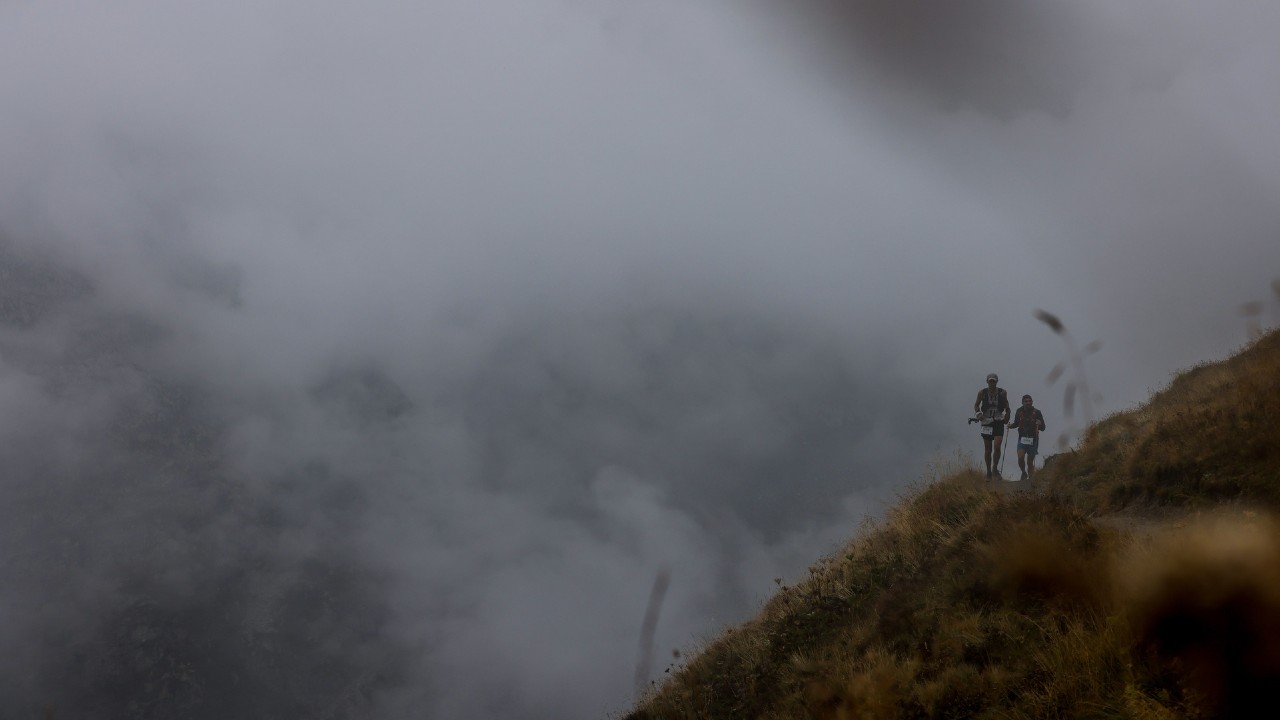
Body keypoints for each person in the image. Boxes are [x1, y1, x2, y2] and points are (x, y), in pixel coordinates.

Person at [973, 373, 1010, 479]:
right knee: (988, 449)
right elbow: (976, 404)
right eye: (990, 381)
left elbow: (1007, 405)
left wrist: (1008, 414)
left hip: (999, 420)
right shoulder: (982, 393)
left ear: (997, 381)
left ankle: (995, 468)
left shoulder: (1003, 392)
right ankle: (988, 471)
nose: (992, 383)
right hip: (986, 421)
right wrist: (978, 413)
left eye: (994, 381)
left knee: (997, 446)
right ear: (987, 381)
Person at [1007, 394, 1046, 481]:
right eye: (1026, 401)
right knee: (1020, 457)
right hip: (1022, 439)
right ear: (1022, 402)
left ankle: (1030, 479)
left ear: (1032, 402)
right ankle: (1023, 472)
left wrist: (1039, 424)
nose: (1028, 403)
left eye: (1029, 401)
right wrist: (1011, 426)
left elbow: (1043, 427)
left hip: (1033, 440)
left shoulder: (1037, 412)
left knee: (1030, 462)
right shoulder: (1019, 411)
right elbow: (1016, 423)